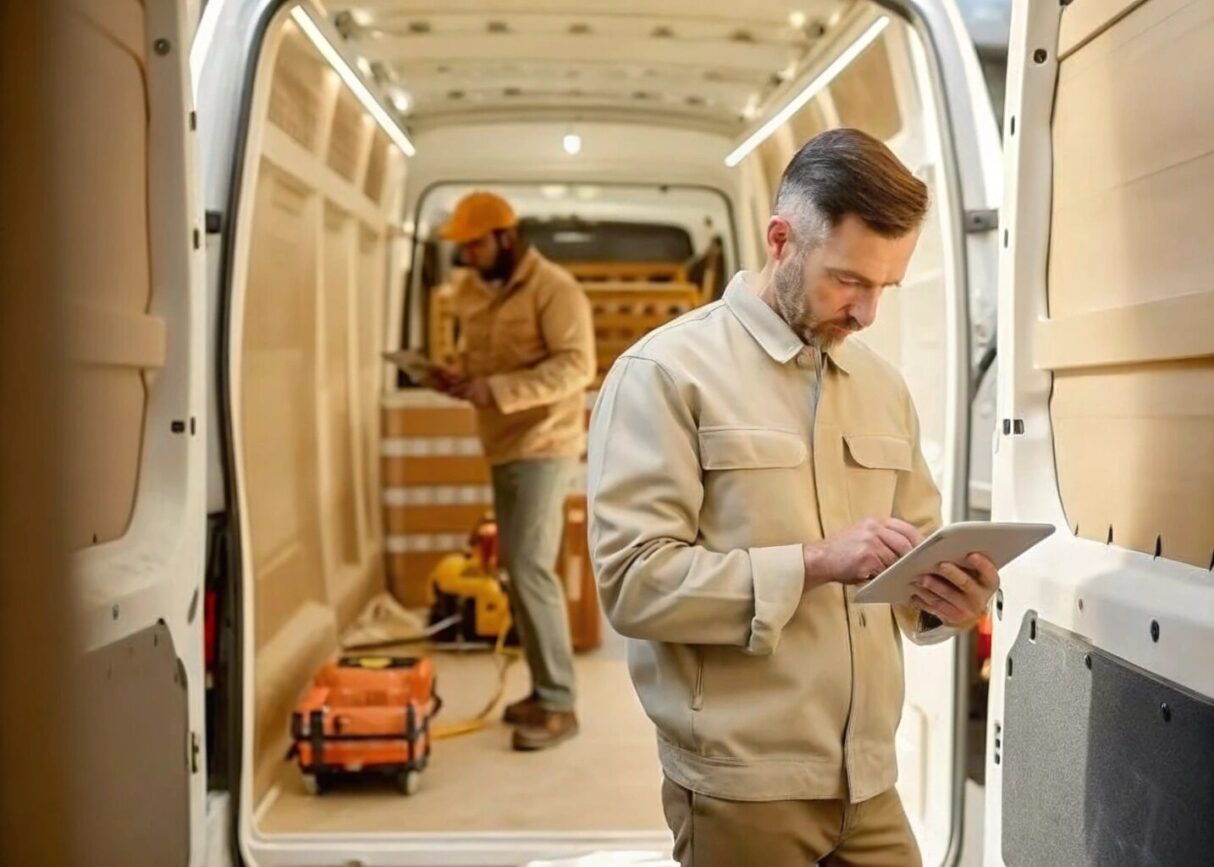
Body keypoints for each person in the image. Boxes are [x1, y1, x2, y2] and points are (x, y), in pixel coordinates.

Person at [586, 130, 1000, 864]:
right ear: (782, 239)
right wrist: (811, 562)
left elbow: (916, 564)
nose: (868, 312)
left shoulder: (881, 385)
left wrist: (949, 599)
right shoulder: (663, 374)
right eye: (850, 281)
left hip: (870, 781)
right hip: (743, 788)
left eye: (885, 287)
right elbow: (633, 586)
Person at [433, 191, 595, 751]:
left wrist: (494, 389)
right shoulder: (470, 290)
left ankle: (559, 704)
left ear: (506, 236)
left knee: (529, 567)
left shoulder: (555, 289)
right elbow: (477, 353)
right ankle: (541, 688)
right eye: (463, 246)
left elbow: (578, 366)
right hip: (500, 442)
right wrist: (456, 374)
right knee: (517, 568)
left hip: (545, 443)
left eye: (475, 243)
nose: (467, 254)